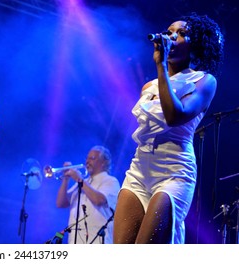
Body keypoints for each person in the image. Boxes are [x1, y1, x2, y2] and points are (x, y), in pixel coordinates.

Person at [113, 13, 225, 244]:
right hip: (139, 170)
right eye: (170, 31)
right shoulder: (149, 86)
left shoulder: (204, 81)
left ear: (197, 46)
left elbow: (175, 116)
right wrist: (161, 70)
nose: (172, 36)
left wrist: (161, 66)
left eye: (182, 34)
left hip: (174, 172)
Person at [55, 145, 120, 244]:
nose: (87, 162)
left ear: (103, 162)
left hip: (97, 242)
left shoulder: (110, 181)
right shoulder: (83, 182)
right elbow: (60, 203)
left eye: (92, 158)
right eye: (87, 158)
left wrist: (78, 179)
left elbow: (99, 200)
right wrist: (65, 179)